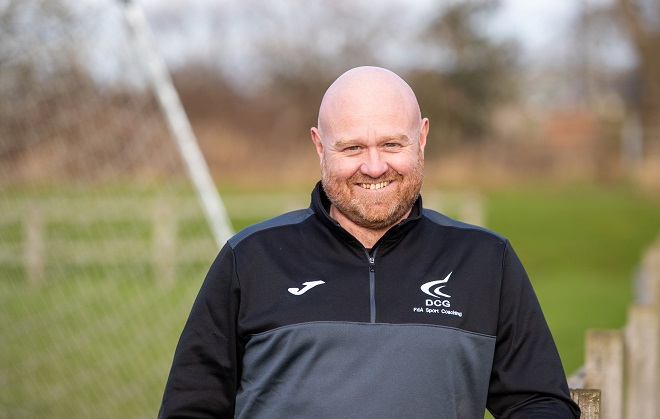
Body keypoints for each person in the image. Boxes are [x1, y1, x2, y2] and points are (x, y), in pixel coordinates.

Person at [158, 66, 580, 418]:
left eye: (392, 144)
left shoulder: (486, 260)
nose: (374, 167)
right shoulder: (249, 258)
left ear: (423, 138)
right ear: (320, 146)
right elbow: (191, 408)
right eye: (353, 147)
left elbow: (539, 401)